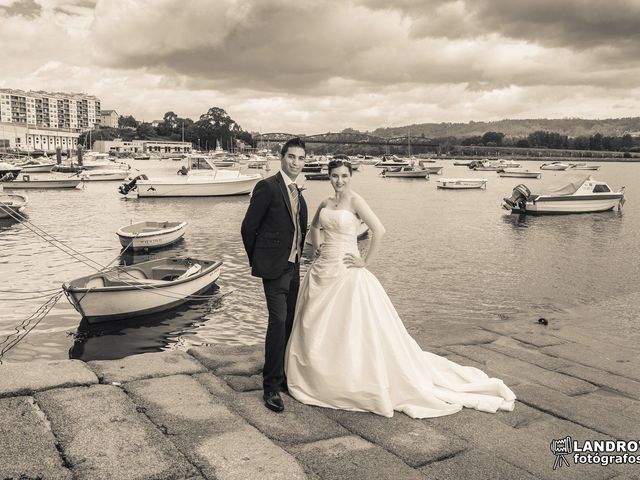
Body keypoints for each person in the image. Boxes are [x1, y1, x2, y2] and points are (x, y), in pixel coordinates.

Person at [285, 159, 515, 418]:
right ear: (329, 177)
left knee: (348, 324)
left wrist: (364, 262)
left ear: (350, 177)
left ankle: (346, 375)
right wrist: (317, 248)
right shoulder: (326, 203)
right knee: (315, 321)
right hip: (323, 268)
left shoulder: (356, 201)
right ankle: (317, 371)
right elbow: (315, 227)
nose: (340, 180)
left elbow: (379, 230)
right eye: (335, 176)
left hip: (347, 270)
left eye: (344, 176)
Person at [241, 137, 308, 413]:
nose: (295, 162)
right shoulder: (267, 187)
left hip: (293, 269)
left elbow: (299, 231)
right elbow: (248, 228)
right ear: (282, 158)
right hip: (274, 269)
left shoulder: (299, 194)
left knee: (290, 322)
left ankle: (281, 376)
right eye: (291, 157)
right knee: (278, 322)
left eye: (301, 158)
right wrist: (261, 262)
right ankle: (270, 388)